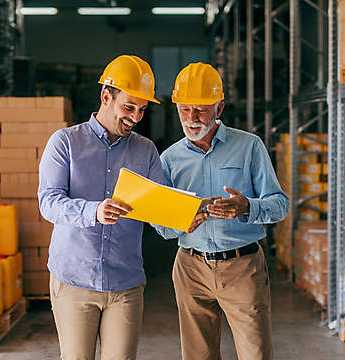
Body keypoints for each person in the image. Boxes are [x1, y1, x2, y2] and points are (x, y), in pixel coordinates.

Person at [154, 62, 289, 360]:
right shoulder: (169, 159)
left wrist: (247, 207)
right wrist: (181, 223)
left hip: (242, 267)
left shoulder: (249, 147)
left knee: (255, 354)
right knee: (198, 356)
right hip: (191, 269)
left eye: (201, 110)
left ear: (219, 108)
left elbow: (280, 205)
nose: (191, 119)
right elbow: (160, 225)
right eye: (184, 109)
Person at [38, 55, 164, 360]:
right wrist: (92, 211)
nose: (136, 117)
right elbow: (48, 202)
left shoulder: (145, 150)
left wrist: (186, 219)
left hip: (125, 283)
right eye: (129, 107)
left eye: (142, 110)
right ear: (106, 97)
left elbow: (159, 213)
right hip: (74, 279)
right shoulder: (64, 142)